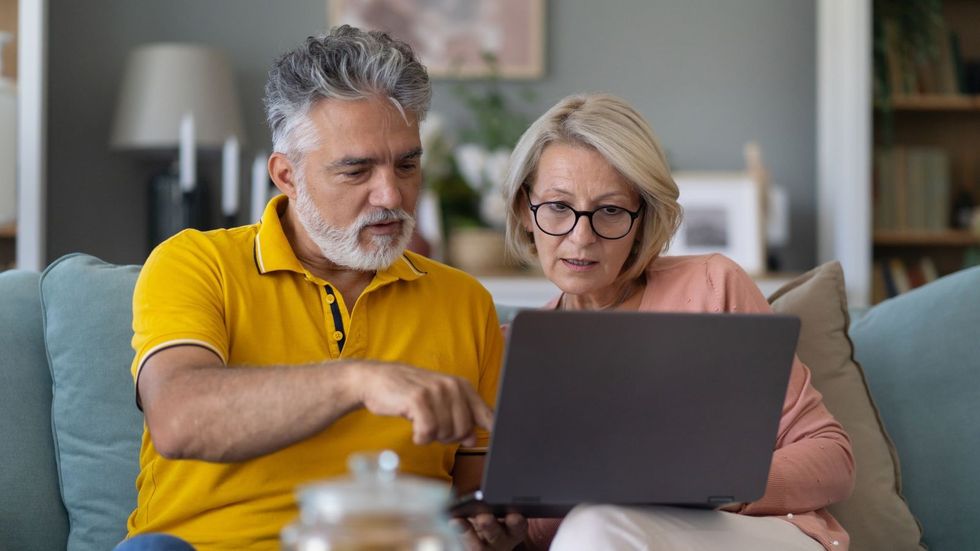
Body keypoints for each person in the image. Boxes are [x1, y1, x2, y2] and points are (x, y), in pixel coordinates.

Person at [117, 26, 525, 551]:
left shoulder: (463, 300)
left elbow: (474, 488)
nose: (391, 193)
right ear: (287, 176)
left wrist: (495, 524)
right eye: (356, 170)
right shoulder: (196, 262)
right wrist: (357, 381)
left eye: (407, 164)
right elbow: (178, 419)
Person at [501, 93, 856, 551]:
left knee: (596, 526)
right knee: (591, 525)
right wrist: (506, 536)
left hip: (756, 535)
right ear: (523, 212)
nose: (581, 237)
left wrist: (717, 488)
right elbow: (539, 531)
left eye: (610, 210)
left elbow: (834, 457)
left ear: (643, 217)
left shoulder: (712, 286)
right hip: (609, 540)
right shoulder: (515, 349)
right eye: (557, 207)